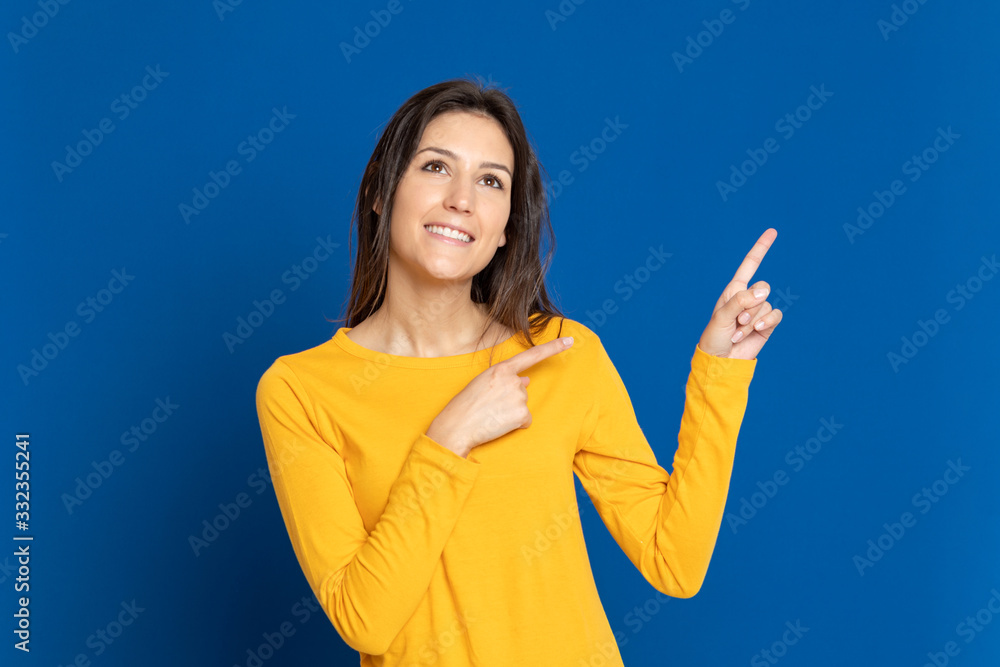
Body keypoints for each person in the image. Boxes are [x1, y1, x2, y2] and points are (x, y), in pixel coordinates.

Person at [255, 77, 782, 666]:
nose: (461, 199)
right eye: (435, 167)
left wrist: (721, 374)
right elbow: (365, 621)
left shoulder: (561, 353)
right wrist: (448, 437)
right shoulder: (302, 389)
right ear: (381, 191)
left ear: (505, 225)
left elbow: (673, 560)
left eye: (490, 181)